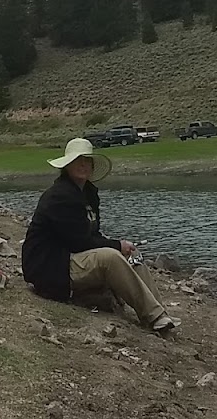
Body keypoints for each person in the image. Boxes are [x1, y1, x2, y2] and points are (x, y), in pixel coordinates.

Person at [20, 137, 179, 335]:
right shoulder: (59, 196)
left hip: (72, 258)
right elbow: (79, 241)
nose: (83, 164)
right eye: (78, 160)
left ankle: (159, 311)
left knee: (132, 254)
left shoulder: (88, 193)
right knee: (110, 257)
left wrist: (122, 247)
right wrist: (116, 246)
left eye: (87, 160)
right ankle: (152, 315)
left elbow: (91, 234)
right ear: (67, 165)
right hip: (51, 267)